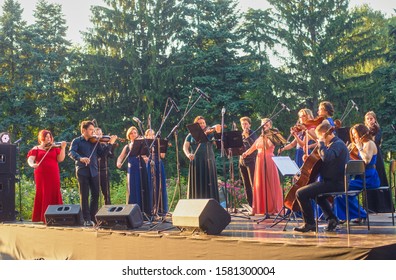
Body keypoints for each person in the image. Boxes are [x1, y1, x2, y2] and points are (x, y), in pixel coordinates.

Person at [294, 121, 349, 232]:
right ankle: (332, 219)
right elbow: (325, 161)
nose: (318, 139)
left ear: (324, 134)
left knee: (300, 193)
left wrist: (322, 144)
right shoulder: (334, 144)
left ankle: (309, 223)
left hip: (335, 183)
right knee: (318, 196)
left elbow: (327, 157)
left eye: (319, 137)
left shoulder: (337, 144)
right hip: (332, 182)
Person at [68, 121, 117, 226]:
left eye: (93, 130)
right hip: (82, 171)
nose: (93, 132)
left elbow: (103, 154)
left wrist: (110, 144)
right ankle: (86, 219)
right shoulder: (76, 141)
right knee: (84, 195)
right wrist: (80, 158)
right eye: (91, 130)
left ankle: (92, 217)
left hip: (94, 171)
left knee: (95, 194)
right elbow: (71, 152)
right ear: (84, 130)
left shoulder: (95, 142)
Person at [334, 124, 380, 223]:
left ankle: (359, 214)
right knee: (341, 190)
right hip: (360, 177)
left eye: (355, 134)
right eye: (353, 134)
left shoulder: (369, 143)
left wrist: (359, 148)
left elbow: (367, 160)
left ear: (361, 133)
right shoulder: (359, 144)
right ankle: (349, 215)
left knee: (343, 188)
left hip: (369, 178)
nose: (354, 136)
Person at [242, 118, 283, 216]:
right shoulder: (260, 137)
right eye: (263, 125)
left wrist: (266, 135)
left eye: (266, 125)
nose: (264, 126)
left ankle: (272, 208)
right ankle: (259, 208)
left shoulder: (272, 135)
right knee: (259, 184)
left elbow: (267, 146)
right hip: (259, 160)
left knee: (269, 183)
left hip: (268, 160)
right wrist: (245, 153)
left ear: (270, 126)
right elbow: (253, 147)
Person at [27, 130, 67, 223]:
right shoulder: (36, 149)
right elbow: (30, 159)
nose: (48, 139)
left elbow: (60, 159)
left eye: (50, 137)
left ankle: (57, 216)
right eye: (46, 137)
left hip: (53, 173)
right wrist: (32, 165)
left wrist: (63, 148)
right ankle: (42, 217)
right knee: (43, 192)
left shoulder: (54, 148)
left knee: (54, 191)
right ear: (42, 138)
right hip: (41, 174)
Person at [183, 116, 220, 201]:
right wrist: (188, 154)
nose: (202, 124)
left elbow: (217, 144)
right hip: (196, 161)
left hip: (208, 160)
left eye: (203, 123)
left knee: (209, 182)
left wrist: (218, 132)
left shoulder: (210, 134)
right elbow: (185, 147)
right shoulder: (190, 135)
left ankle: (212, 204)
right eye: (200, 123)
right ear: (196, 125)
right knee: (197, 183)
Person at [117, 126, 151, 216]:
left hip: (141, 167)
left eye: (135, 132)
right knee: (133, 188)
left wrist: (146, 158)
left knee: (142, 187)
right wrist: (119, 163)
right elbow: (121, 157)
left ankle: (145, 211)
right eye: (131, 133)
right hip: (132, 169)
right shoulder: (127, 146)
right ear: (129, 135)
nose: (133, 134)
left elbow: (146, 155)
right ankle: (133, 212)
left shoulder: (142, 144)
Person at [145, 129, 168, 215]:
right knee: (150, 185)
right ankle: (151, 209)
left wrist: (162, 147)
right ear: (146, 136)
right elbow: (144, 155)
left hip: (158, 163)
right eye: (150, 135)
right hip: (150, 164)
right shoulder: (145, 143)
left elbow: (162, 156)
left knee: (160, 184)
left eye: (153, 135)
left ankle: (161, 209)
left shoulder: (158, 142)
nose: (152, 136)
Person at [238, 116, 258, 208]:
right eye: (242, 124)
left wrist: (247, 137)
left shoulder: (252, 133)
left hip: (251, 160)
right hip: (242, 161)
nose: (244, 126)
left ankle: (256, 204)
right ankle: (250, 204)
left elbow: (255, 146)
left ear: (249, 124)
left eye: (246, 124)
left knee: (252, 183)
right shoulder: (240, 134)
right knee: (246, 184)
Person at [94, 127, 116, 205]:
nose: (99, 136)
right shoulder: (94, 145)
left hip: (105, 170)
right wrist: (110, 144)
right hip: (96, 170)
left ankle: (108, 211)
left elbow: (111, 156)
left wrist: (112, 146)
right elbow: (102, 154)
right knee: (95, 193)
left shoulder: (105, 144)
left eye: (100, 134)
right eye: (97, 134)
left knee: (106, 193)